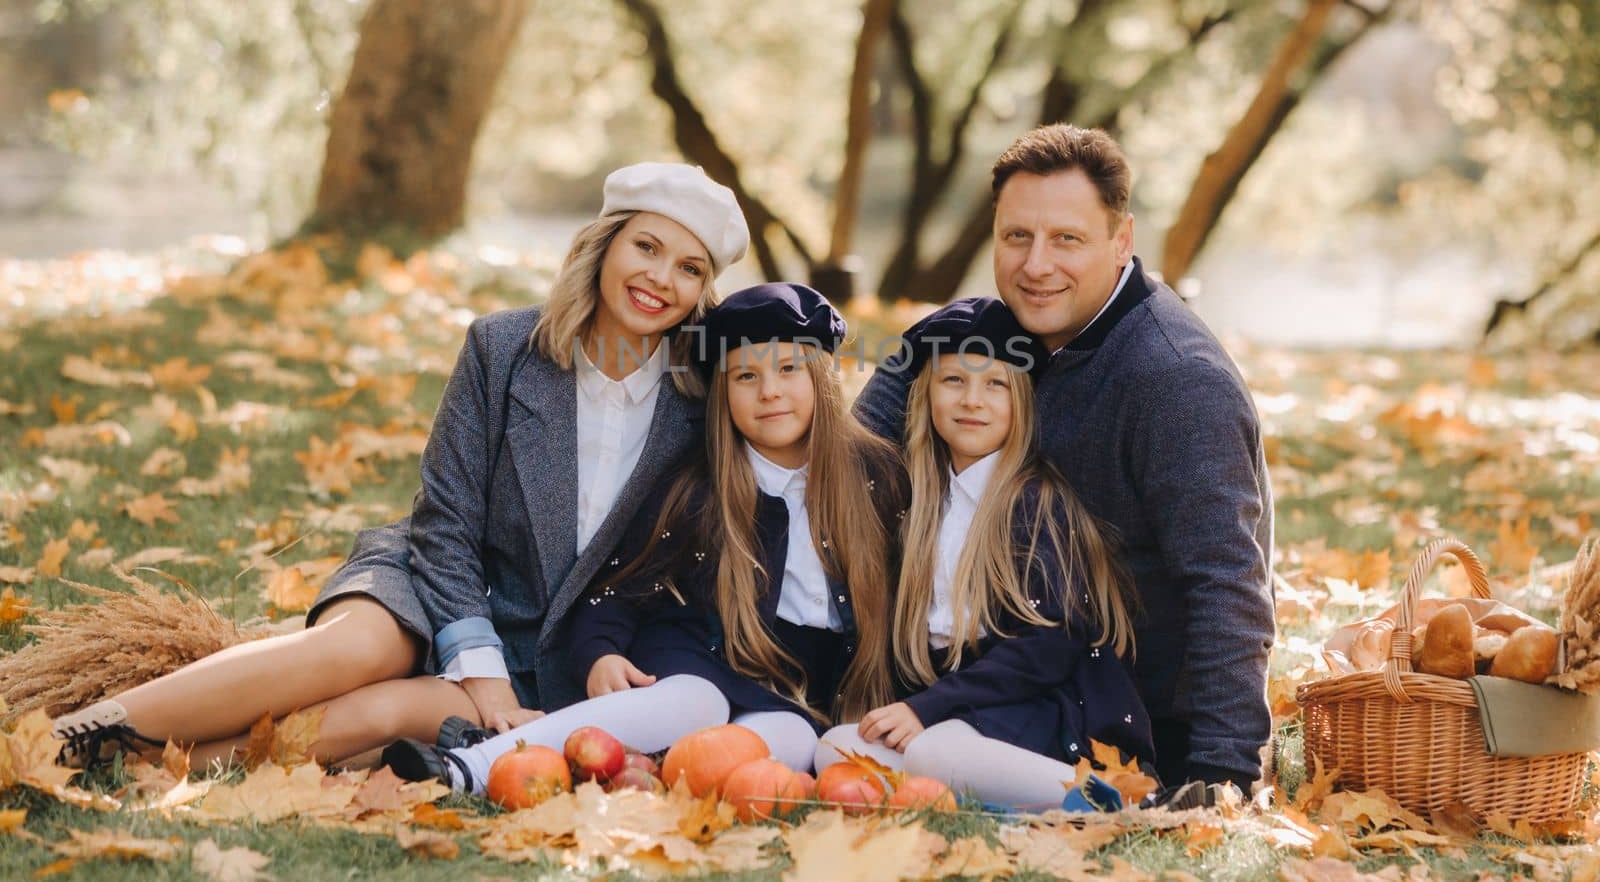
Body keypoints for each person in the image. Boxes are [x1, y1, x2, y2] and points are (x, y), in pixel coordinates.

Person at [51, 163, 750, 769]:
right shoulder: (503, 350)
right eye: (647, 247)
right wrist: (481, 675)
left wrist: (507, 686)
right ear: (604, 245)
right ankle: (71, 737)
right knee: (353, 655)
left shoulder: (702, 404)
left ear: (702, 293)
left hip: (544, 652)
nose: (661, 278)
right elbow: (444, 526)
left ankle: (130, 766)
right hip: (430, 578)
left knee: (372, 717)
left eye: (689, 268)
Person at [854, 125, 1274, 797]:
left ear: (1122, 241)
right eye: (1017, 237)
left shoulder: (1173, 379)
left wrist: (1222, 770)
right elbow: (851, 464)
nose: (1036, 265)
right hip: (973, 682)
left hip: (1110, 712)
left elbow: (1226, 580)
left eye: (1067, 240)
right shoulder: (1001, 333)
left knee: (931, 759)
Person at [379, 283, 905, 791]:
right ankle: (474, 764)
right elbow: (618, 585)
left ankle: (626, 770)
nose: (769, 391)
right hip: (697, 659)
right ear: (722, 393)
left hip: (794, 695)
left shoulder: (875, 477)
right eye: (746, 376)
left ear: (822, 376)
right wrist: (600, 653)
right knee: (696, 703)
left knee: (788, 744)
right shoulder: (700, 486)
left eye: (789, 369)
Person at [816, 298, 1150, 809]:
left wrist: (927, 708)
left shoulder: (1035, 505)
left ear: (1022, 401)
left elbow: (1048, 647)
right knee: (838, 747)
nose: (973, 400)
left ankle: (1119, 807)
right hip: (964, 709)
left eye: (995, 384)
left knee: (933, 751)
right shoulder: (920, 503)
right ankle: (997, 806)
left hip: (1046, 705)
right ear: (926, 396)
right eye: (954, 381)